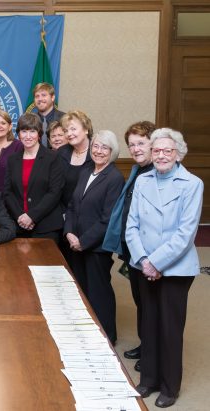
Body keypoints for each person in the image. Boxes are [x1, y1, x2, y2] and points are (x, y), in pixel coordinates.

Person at [126, 128, 203, 408]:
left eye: (167, 150)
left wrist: (156, 262)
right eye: (156, 150)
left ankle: (170, 386)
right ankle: (148, 380)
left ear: (178, 154)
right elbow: (131, 225)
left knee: (170, 328)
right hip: (143, 264)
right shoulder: (143, 180)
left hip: (176, 269)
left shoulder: (192, 184)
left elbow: (185, 233)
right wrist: (144, 260)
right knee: (149, 324)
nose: (161, 155)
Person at [102, 121, 156, 372]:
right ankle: (146, 346)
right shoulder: (138, 170)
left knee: (152, 305)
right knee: (141, 302)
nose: (135, 149)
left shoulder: (158, 171)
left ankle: (152, 354)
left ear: (154, 144)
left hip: (150, 254)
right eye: (131, 144)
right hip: (132, 250)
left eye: (140, 143)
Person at [63, 130, 124, 345]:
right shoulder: (87, 169)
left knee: (99, 293)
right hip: (75, 242)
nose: (98, 151)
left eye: (104, 148)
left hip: (96, 248)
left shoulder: (115, 178)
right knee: (81, 290)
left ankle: (107, 337)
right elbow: (72, 206)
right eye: (96, 146)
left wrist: (83, 241)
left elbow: (108, 219)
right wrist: (69, 232)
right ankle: (84, 334)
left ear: (112, 151)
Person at [4, 113, 64, 243]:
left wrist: (31, 216)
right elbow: (7, 192)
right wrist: (20, 216)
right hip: (18, 225)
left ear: (39, 134)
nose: (28, 136)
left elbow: (54, 193)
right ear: (18, 134)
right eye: (24, 131)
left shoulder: (53, 158)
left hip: (46, 227)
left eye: (32, 131)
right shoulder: (12, 160)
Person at [57, 110, 94, 211]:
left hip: (89, 214)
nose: (69, 134)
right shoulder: (61, 153)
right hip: (63, 213)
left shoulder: (97, 153)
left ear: (86, 129)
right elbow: (55, 187)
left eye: (73, 129)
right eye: (66, 131)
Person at [32, 82, 65, 147]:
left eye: (43, 95)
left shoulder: (64, 118)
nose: (40, 99)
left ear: (52, 98)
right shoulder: (31, 120)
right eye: (37, 96)